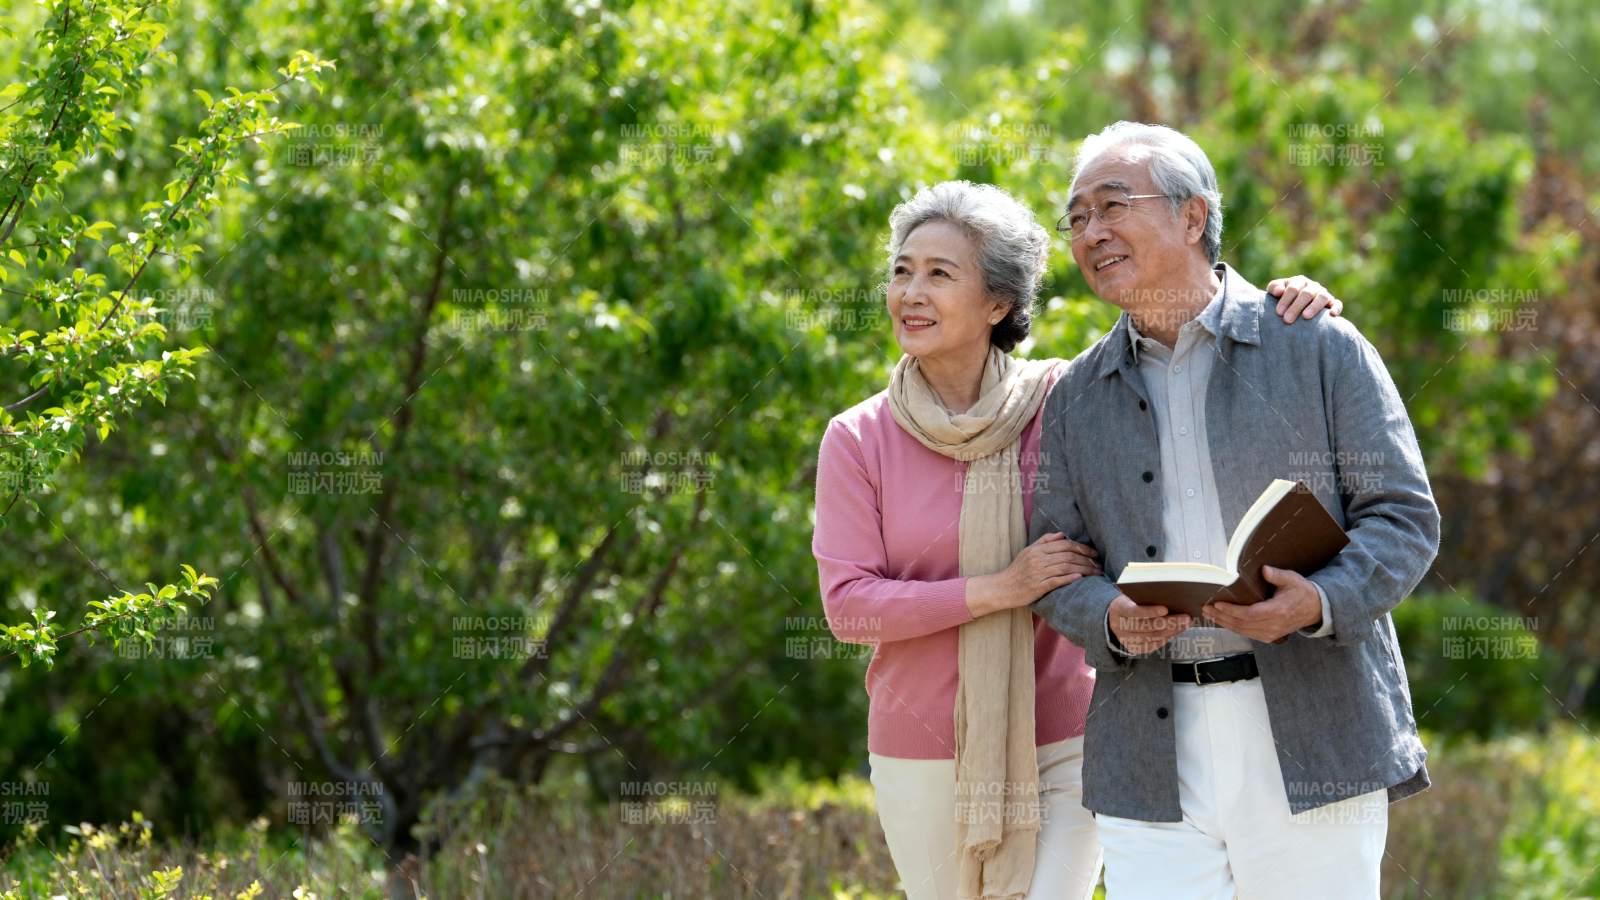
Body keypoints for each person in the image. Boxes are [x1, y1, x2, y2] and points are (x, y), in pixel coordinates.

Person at [811, 179, 1344, 899]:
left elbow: (1186, 349)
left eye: (940, 274)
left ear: (998, 303)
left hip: (1065, 737)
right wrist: (1003, 589)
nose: (911, 291)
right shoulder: (858, 438)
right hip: (921, 748)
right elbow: (850, 609)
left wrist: (1282, 305)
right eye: (902, 271)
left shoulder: (1067, 400)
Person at [1030, 122, 1440, 899]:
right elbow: (1055, 563)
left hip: (1315, 730)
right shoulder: (1076, 397)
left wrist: (1318, 601)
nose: (1091, 232)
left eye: (1113, 205)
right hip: (1145, 753)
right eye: (1077, 217)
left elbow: (1404, 518)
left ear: (1193, 217)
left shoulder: (1319, 346)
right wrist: (1109, 616)